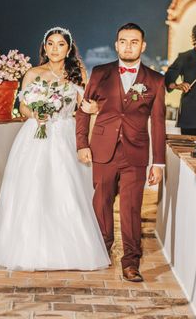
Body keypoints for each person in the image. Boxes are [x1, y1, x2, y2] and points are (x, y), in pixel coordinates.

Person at [0, 27, 110, 271]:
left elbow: (83, 108)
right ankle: (29, 248)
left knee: (65, 189)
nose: (55, 48)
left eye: (60, 44)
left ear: (68, 48)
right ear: (44, 47)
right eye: (50, 44)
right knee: (32, 187)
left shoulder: (78, 74)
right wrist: (35, 113)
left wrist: (93, 109)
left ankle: (72, 249)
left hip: (65, 134)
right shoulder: (33, 73)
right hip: (34, 135)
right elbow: (21, 107)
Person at [76, 23, 166, 282]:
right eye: (123, 41)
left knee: (131, 208)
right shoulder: (100, 73)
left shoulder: (155, 80)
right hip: (102, 150)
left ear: (143, 46)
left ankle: (131, 262)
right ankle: (102, 250)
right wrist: (82, 144)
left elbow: (158, 122)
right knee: (101, 203)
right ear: (116, 45)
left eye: (134, 41)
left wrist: (158, 163)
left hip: (136, 154)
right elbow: (84, 109)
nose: (128, 46)